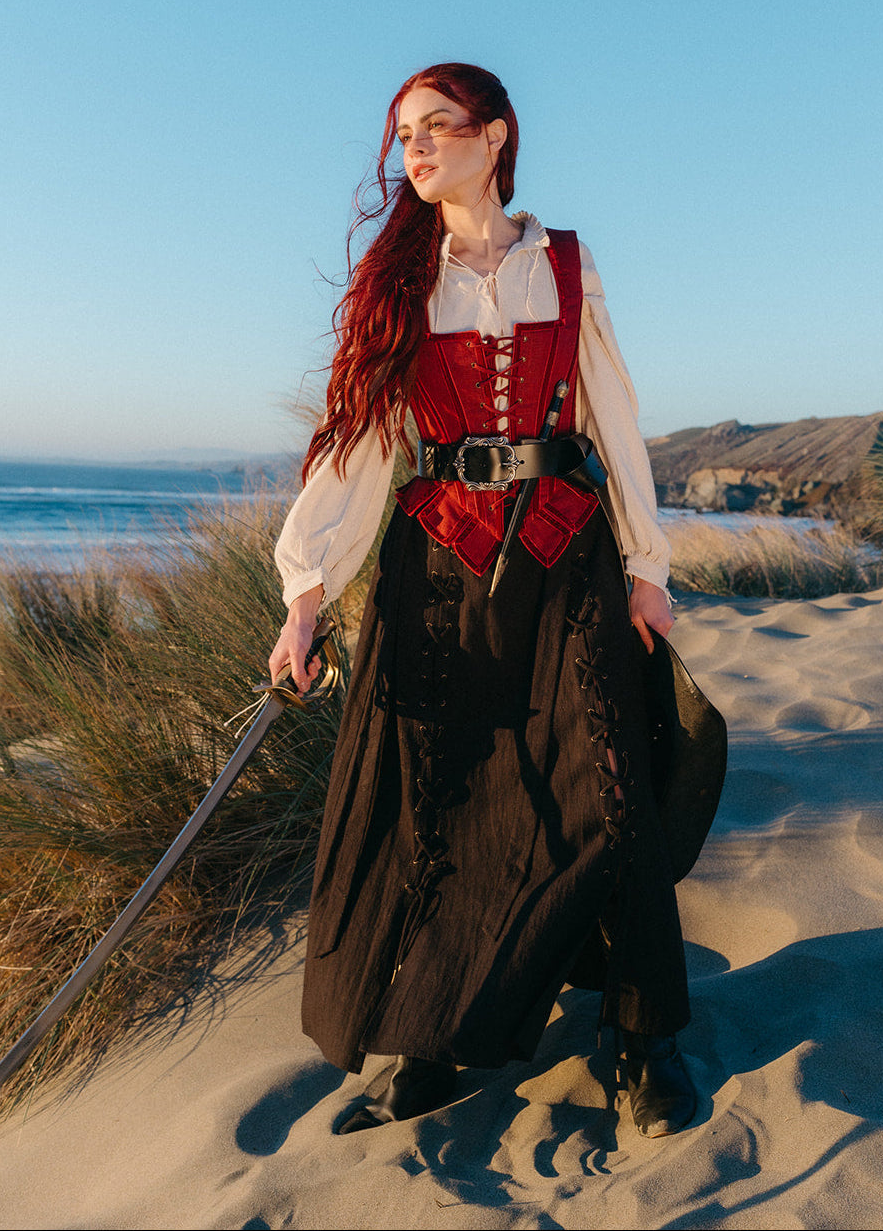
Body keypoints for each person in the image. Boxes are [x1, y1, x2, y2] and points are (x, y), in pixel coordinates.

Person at [269, 62, 698, 1139]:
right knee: (444, 797)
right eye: (402, 136)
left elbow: (613, 411)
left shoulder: (566, 262)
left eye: (436, 129)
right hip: (438, 569)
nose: (413, 151)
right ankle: (437, 1030)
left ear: (496, 136)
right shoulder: (401, 282)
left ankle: (642, 1040)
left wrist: (648, 564)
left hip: (567, 557)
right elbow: (363, 445)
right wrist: (306, 590)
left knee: (612, 789)